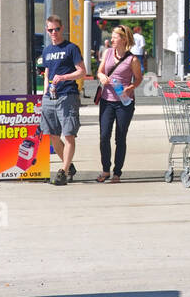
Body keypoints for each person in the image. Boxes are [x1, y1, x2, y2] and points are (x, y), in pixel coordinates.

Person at [41, 15, 86, 186]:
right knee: (52, 135)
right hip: (50, 97)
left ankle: (63, 172)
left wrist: (64, 77)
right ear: (47, 30)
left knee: (68, 135)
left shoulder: (71, 48)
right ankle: (69, 167)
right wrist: (45, 92)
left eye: (57, 29)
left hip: (67, 95)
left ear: (62, 28)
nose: (54, 33)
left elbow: (81, 71)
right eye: (50, 30)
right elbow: (46, 73)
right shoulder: (46, 51)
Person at [96, 24, 142, 183]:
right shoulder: (108, 53)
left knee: (120, 138)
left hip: (124, 103)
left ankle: (117, 172)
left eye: (115, 37)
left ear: (123, 39)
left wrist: (131, 87)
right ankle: (105, 169)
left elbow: (138, 78)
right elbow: (100, 71)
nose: (111, 39)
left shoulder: (132, 59)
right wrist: (101, 77)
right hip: (106, 101)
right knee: (103, 136)